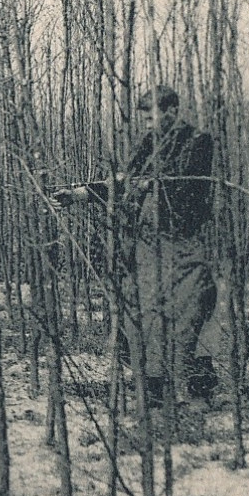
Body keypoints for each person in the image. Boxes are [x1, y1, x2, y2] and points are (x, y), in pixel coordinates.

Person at [55, 85, 218, 399]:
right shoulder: (148, 143)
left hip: (184, 243)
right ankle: (155, 387)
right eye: (142, 117)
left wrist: (147, 185)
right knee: (144, 313)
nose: (145, 123)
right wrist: (78, 195)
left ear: (171, 111)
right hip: (147, 244)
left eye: (150, 116)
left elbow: (185, 188)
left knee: (192, 310)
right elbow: (123, 183)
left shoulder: (198, 142)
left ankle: (199, 387)